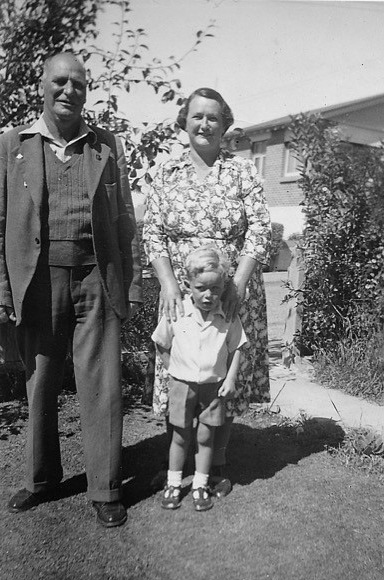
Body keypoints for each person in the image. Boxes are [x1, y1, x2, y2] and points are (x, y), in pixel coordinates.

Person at [0, 52, 142, 528]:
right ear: (42, 85)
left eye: (78, 84)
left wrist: (134, 288)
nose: (69, 91)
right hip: (37, 282)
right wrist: (4, 293)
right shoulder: (12, 144)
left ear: (87, 89)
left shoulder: (105, 146)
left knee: (101, 386)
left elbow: (125, 223)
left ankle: (104, 487)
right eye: (60, 82)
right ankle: (42, 479)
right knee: (39, 381)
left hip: (96, 280)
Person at [143, 87, 271, 497]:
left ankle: (216, 463)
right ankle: (177, 465)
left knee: (221, 375)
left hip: (231, 292)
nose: (204, 124)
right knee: (180, 373)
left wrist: (238, 282)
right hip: (182, 293)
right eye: (196, 116)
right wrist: (167, 282)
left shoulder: (243, 173)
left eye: (213, 117)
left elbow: (260, 228)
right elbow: (153, 232)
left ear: (225, 124)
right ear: (184, 122)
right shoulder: (166, 172)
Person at [152, 246, 247, 511]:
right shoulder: (177, 312)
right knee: (180, 437)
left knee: (206, 438)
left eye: (215, 289)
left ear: (224, 286)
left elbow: (237, 346)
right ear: (187, 285)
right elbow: (161, 342)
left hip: (214, 389)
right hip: (182, 386)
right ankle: (173, 484)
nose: (208, 296)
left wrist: (230, 379)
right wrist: (173, 369)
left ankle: (200, 485)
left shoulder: (227, 316)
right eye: (200, 288)